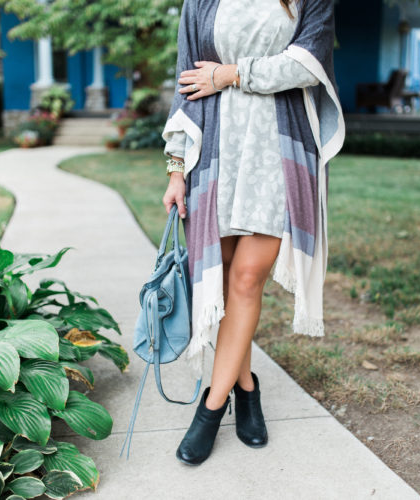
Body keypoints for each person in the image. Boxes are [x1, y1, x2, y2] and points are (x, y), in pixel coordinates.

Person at [161, 0, 345, 466]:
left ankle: (209, 409)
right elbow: (186, 83)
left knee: (246, 279)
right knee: (222, 281)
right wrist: (176, 169)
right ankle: (246, 388)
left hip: (278, 154)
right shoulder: (200, 2)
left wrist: (229, 75)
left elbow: (306, 63)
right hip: (216, 154)